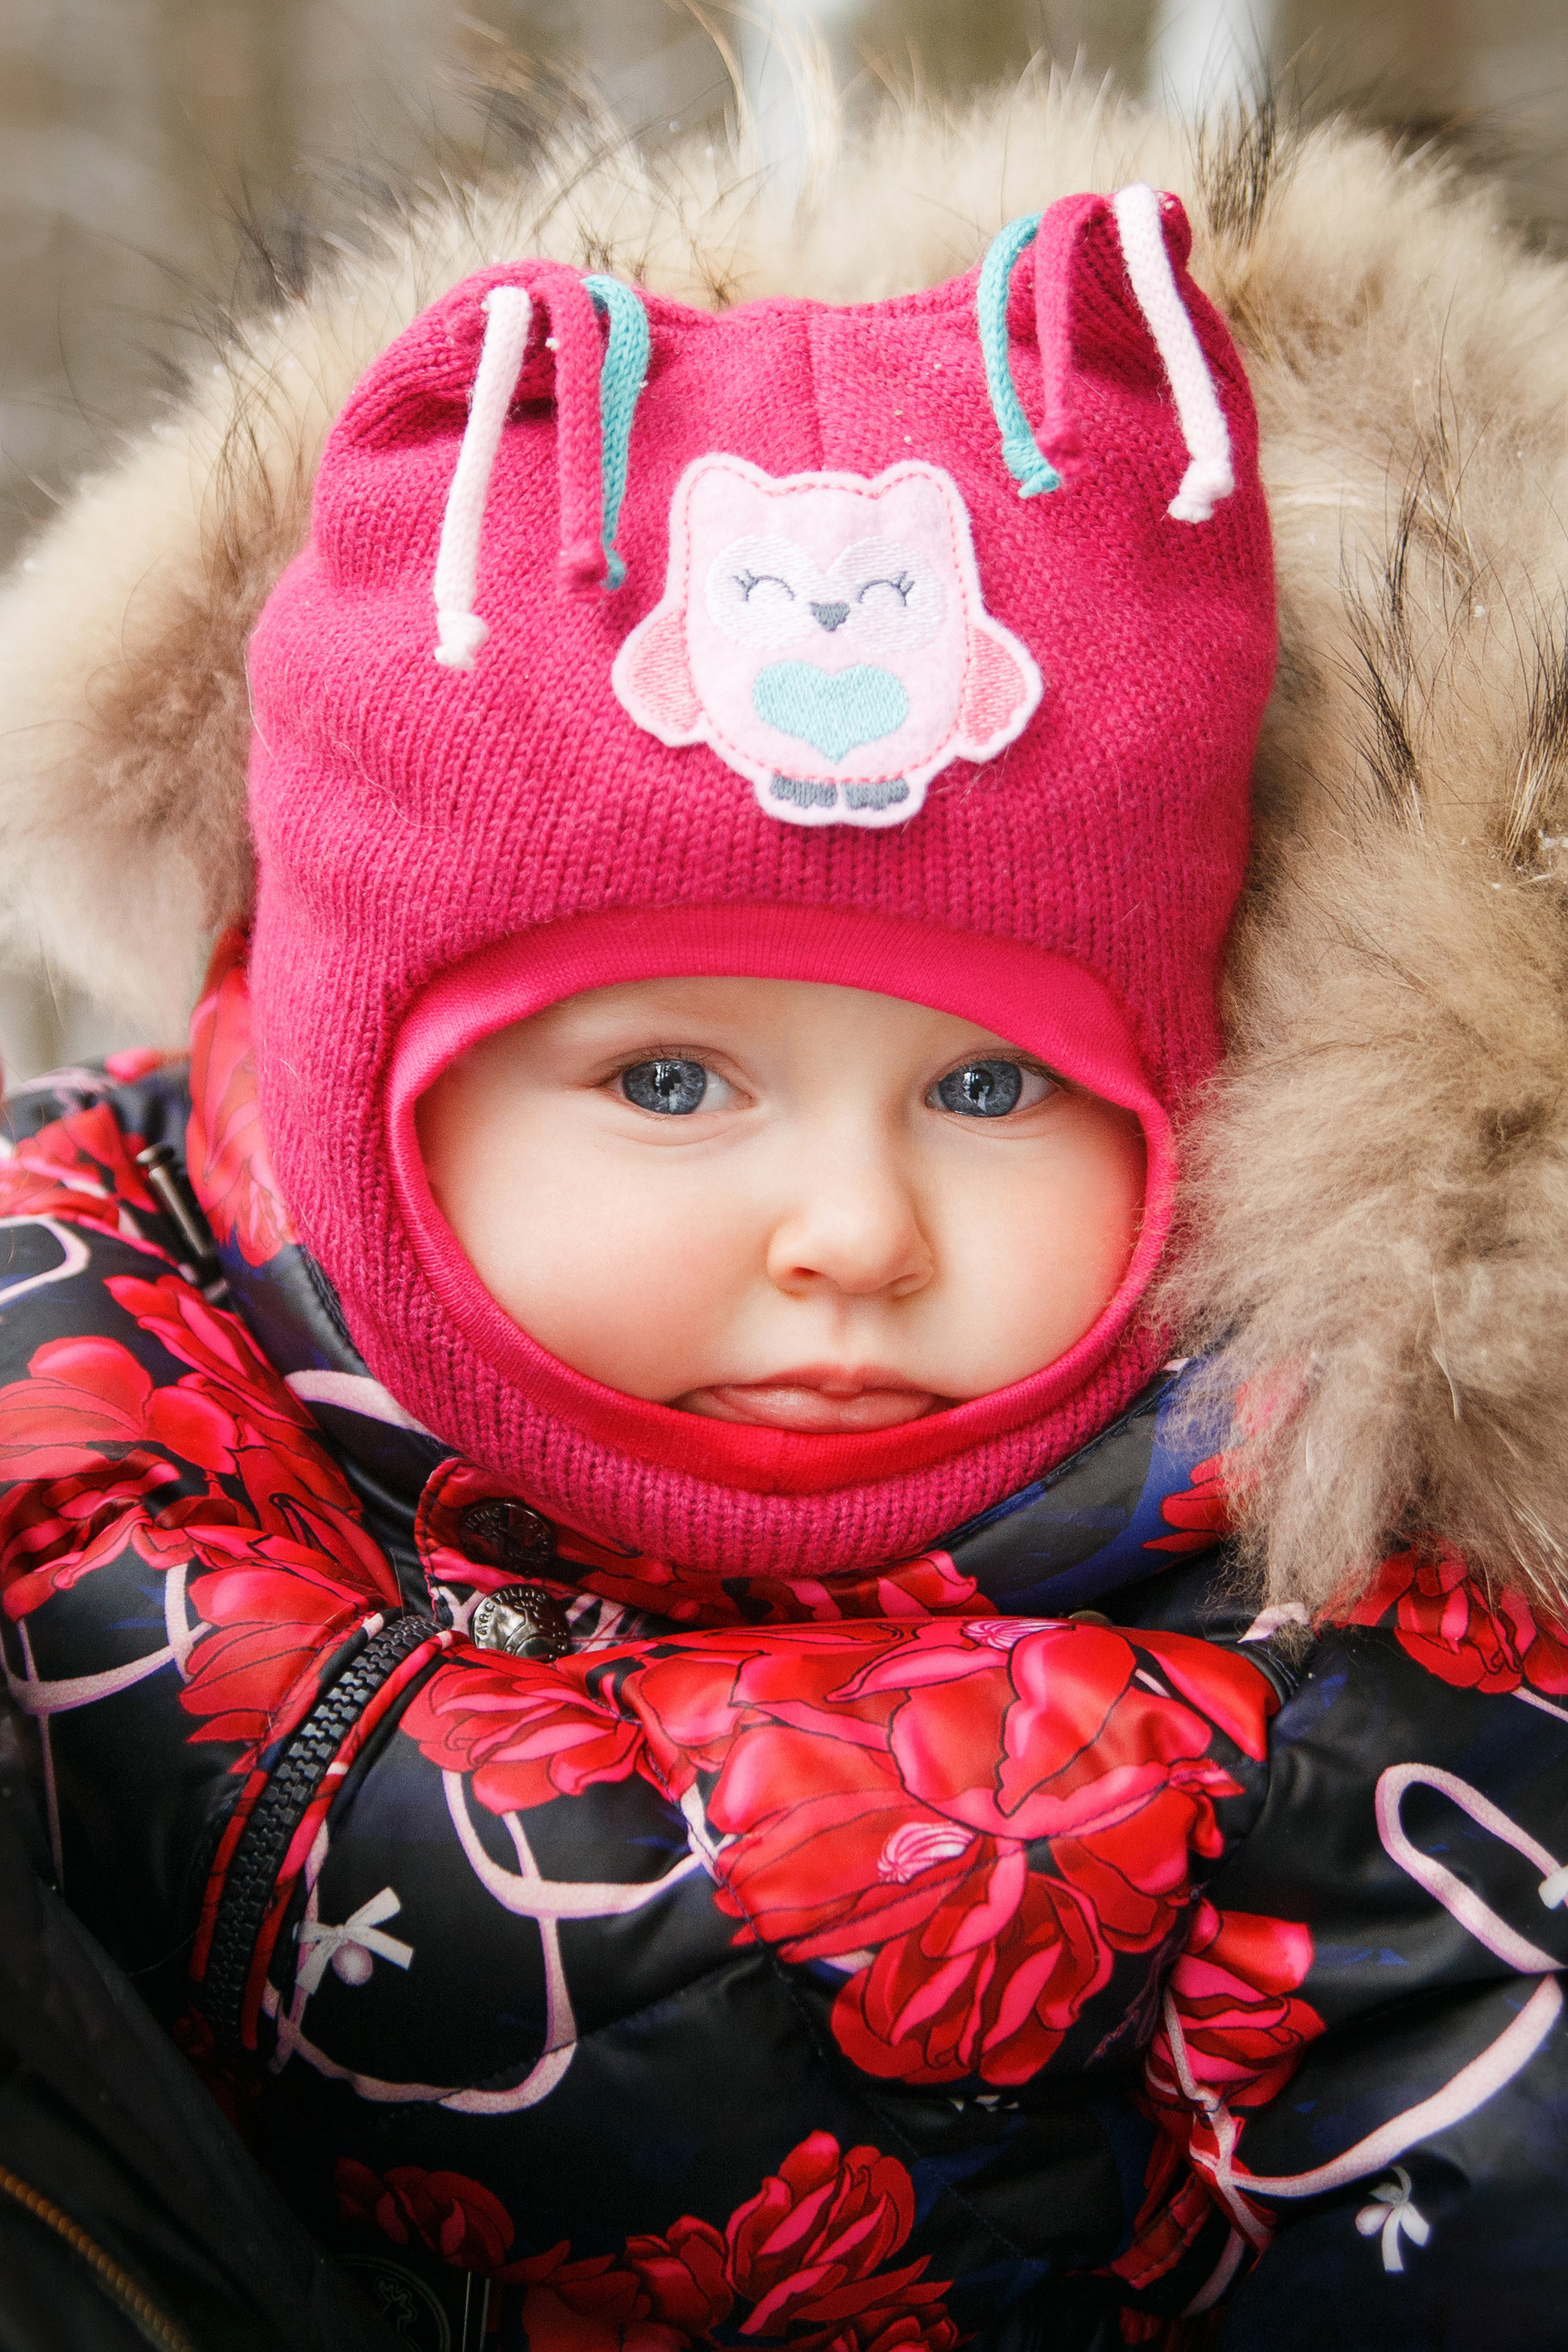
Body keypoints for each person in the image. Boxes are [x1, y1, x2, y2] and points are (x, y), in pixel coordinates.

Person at [0, 80, 1564, 2352]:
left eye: (988, 1085)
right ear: (354, 1095)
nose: (854, 1225)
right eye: (664, 1082)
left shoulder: (1356, 1654)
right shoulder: (78, 1423)